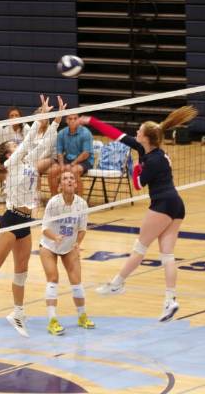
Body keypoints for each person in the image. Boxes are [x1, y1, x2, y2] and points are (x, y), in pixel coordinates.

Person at [81, 106, 197, 322]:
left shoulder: (151, 160)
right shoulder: (150, 151)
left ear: (145, 138)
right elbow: (117, 135)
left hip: (162, 203)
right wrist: (91, 121)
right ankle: (170, 300)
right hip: (176, 204)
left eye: (139, 132)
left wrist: (134, 168)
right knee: (167, 255)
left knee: (140, 248)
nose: (136, 134)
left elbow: (137, 186)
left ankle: (117, 284)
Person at [0, 95, 64, 337]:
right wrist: (40, 118)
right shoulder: (13, 163)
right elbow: (29, 140)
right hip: (10, 220)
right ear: (8, 154)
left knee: (22, 271)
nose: (15, 145)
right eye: (11, 145)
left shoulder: (27, 161)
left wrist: (55, 121)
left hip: (25, 222)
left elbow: (44, 143)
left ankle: (17, 312)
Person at [40, 171, 94, 335]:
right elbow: (44, 229)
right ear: (60, 186)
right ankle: (52, 320)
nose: (69, 180)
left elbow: (82, 229)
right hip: (49, 245)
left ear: (76, 184)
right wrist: (55, 237)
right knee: (53, 278)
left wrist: (78, 243)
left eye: (72, 178)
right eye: (65, 178)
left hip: (69, 246)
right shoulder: (53, 203)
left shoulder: (82, 204)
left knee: (76, 281)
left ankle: (82, 315)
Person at [48, 114, 94, 197]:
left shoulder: (86, 133)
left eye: (75, 118)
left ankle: (79, 199)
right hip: (68, 159)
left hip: (84, 160)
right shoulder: (62, 133)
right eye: (70, 118)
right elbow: (59, 152)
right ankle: (54, 198)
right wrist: (62, 165)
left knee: (74, 171)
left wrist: (72, 164)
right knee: (52, 171)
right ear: (66, 120)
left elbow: (86, 154)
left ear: (79, 120)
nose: (72, 121)